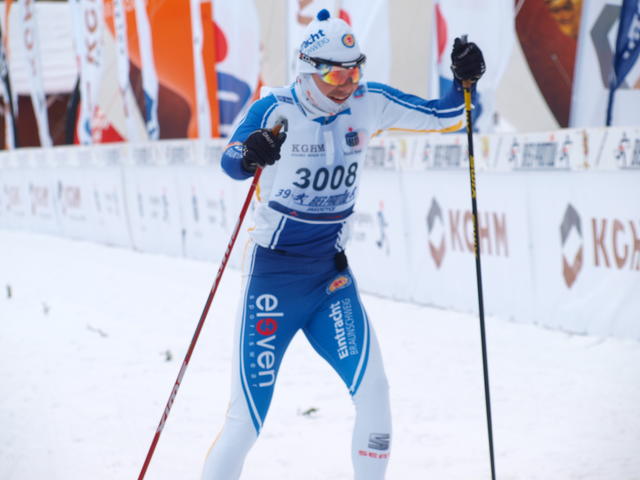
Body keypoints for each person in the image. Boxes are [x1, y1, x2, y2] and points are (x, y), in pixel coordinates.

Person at [202, 9, 485, 480]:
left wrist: (465, 81)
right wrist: (252, 152)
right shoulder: (276, 108)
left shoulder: (368, 102)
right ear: (307, 70)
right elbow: (231, 161)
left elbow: (449, 116)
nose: (346, 85)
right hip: (273, 280)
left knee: (374, 392)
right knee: (245, 422)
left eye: (354, 72)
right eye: (335, 74)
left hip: (330, 279)